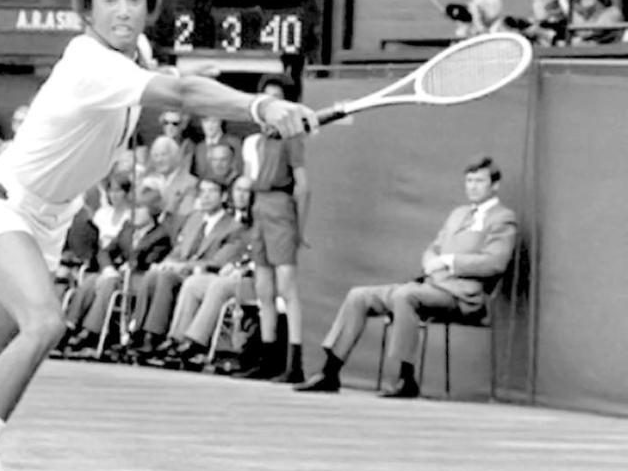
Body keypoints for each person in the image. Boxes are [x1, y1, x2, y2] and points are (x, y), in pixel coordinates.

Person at [0, 0, 318, 471]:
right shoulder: (88, 62)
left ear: (149, 6)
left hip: (50, 216)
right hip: (1, 200)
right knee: (44, 324)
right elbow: (179, 92)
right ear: (87, 9)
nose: (123, 11)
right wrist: (261, 106)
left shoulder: (134, 51)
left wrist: (194, 77)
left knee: (5, 334)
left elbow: (167, 77)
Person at [294, 157, 517, 398]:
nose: (472, 186)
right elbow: (435, 247)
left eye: (480, 181)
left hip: (464, 296)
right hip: (431, 285)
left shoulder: (502, 218)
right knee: (359, 296)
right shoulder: (458, 214)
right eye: (469, 180)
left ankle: (405, 378)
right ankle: (330, 371)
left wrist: (448, 262)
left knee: (405, 296)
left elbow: (495, 262)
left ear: (494, 186)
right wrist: (431, 260)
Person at [236, 75, 311, 384]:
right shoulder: (260, 140)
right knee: (263, 288)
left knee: (287, 288)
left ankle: (295, 362)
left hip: (280, 207)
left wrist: (300, 229)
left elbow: (303, 186)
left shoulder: (291, 139)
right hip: (259, 207)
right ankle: (268, 357)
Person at [129, 177, 246, 356]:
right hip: (181, 269)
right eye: (202, 192)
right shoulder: (194, 219)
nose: (205, 197)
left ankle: (155, 335)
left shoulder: (233, 227)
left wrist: (181, 267)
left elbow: (218, 261)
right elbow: (178, 250)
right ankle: (137, 331)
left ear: (223, 197)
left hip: (202, 273)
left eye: (211, 192)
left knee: (166, 277)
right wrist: (166, 263)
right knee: (153, 274)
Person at [64, 192, 171, 353]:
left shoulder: (160, 235)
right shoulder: (127, 228)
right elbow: (106, 251)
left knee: (110, 282)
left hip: (138, 278)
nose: (133, 213)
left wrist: (127, 264)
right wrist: (108, 267)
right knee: (93, 279)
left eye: (140, 209)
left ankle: (91, 331)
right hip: (119, 274)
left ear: (152, 213)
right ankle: (70, 324)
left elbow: (146, 261)